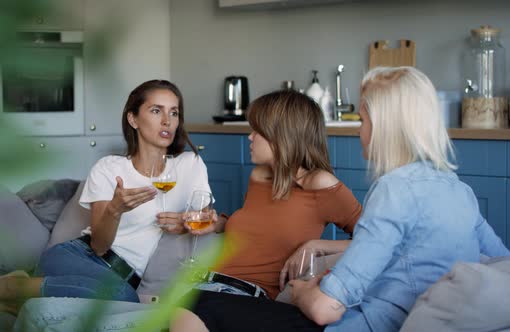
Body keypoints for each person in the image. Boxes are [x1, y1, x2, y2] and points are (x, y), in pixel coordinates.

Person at [171, 66, 510, 332]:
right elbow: (501, 265)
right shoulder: (458, 190)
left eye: (363, 120)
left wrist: (303, 292)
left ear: (385, 126)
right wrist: (323, 249)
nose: (360, 130)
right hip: (388, 316)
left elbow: (323, 309)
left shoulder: (394, 190)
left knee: (202, 305)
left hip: (367, 325)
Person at [0, 79, 212, 314]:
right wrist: (114, 210)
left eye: (174, 113)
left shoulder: (190, 165)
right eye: (156, 110)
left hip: (122, 278)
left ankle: (23, 298)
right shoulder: (109, 168)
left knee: (119, 295)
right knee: (124, 297)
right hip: (78, 257)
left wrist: (194, 221)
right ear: (133, 118)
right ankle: (12, 286)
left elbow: (209, 217)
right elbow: (98, 245)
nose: (167, 121)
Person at [172, 89, 362, 329]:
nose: (250, 137)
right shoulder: (259, 176)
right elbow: (260, 230)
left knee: (193, 307)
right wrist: (218, 224)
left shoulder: (320, 184)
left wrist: (318, 246)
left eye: (258, 131)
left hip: (247, 297)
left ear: (281, 136)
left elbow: (375, 241)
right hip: (208, 286)